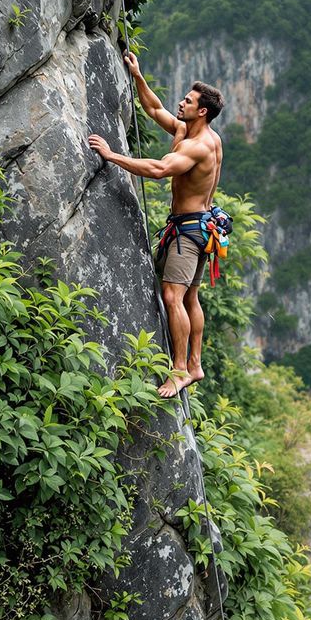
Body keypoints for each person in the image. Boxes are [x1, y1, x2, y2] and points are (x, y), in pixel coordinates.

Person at [87, 51, 224, 398]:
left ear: (202, 111)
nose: (182, 103)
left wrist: (112, 156)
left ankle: (179, 371)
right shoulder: (188, 130)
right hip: (199, 228)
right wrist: (137, 75)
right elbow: (153, 109)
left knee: (172, 295)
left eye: (189, 101)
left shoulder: (199, 146)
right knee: (190, 296)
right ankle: (195, 364)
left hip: (188, 232)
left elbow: (160, 170)